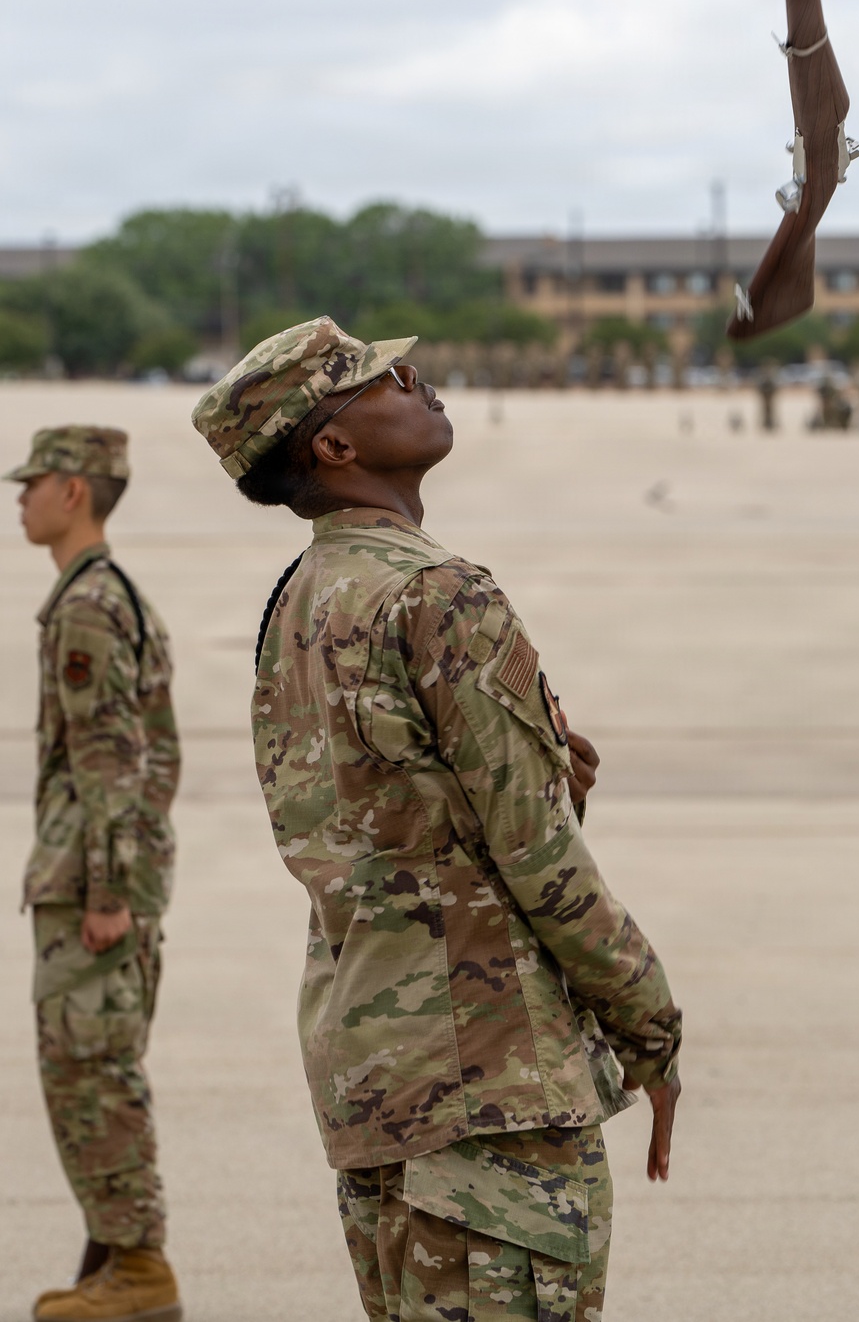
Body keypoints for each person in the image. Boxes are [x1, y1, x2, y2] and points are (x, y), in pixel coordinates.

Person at [191, 319, 682, 1322]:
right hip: (486, 1081)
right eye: (383, 378)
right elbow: (537, 857)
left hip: (376, 1074)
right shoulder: (436, 593)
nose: (416, 380)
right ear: (333, 447)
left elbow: (388, 823)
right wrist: (652, 1026)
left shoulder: (304, 598)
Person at [6, 428, 181, 1322]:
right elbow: (155, 759)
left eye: (32, 483)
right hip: (106, 870)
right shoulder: (114, 598)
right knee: (98, 1064)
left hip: (89, 883)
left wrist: (108, 893)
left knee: (90, 1072)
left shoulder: (87, 607)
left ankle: (140, 1274)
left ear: (72, 492)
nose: (20, 497)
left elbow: (110, 757)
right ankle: (111, 1260)